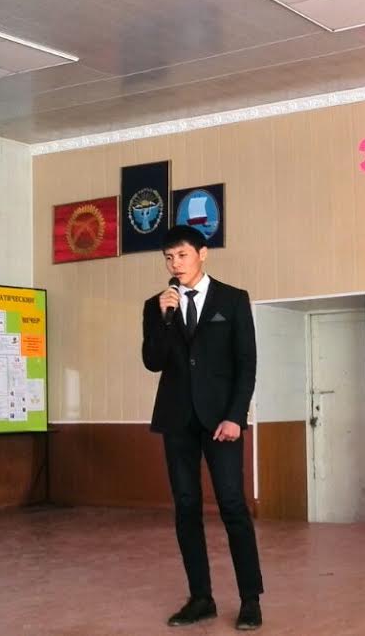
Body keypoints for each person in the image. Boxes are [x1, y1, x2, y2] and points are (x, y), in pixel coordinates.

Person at [141, 225, 264, 631]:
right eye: (168, 258)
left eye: (182, 255)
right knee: (186, 506)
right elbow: (153, 361)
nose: (175, 264)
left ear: (202, 253)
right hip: (177, 420)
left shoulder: (233, 299)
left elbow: (246, 364)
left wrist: (236, 416)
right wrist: (163, 319)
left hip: (221, 421)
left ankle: (250, 599)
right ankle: (201, 598)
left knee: (232, 504)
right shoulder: (157, 305)